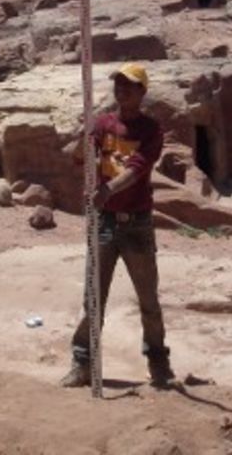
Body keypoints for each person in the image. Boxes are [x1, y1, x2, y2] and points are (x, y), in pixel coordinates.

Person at [60, 61, 175, 388]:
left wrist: (106, 190)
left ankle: (158, 362)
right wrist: (84, 138)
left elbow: (137, 169)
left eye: (129, 85)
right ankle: (83, 363)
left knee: (148, 298)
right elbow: (77, 158)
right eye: (118, 84)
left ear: (142, 92)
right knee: (93, 297)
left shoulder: (151, 131)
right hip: (105, 223)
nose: (122, 89)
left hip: (136, 222)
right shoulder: (102, 124)